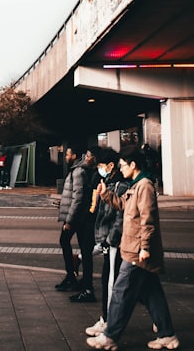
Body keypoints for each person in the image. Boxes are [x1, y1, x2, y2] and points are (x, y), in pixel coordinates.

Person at [87, 145, 179, 351]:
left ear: (133, 164)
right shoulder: (136, 184)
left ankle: (110, 335)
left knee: (121, 291)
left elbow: (148, 219)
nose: (120, 169)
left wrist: (145, 247)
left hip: (138, 250)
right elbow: (124, 206)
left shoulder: (144, 186)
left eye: (122, 165)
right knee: (151, 293)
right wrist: (105, 195)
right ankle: (167, 334)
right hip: (133, 247)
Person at [85, 148, 130, 338]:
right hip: (111, 240)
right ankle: (160, 321)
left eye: (101, 166)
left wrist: (110, 239)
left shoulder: (120, 185)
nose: (99, 170)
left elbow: (119, 216)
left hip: (115, 242)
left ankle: (108, 321)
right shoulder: (111, 182)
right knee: (141, 284)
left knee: (111, 281)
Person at [55, 145, 94, 295]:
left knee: (65, 241)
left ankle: (73, 277)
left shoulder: (78, 171)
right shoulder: (77, 170)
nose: (65, 157)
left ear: (74, 155)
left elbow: (78, 197)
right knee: (82, 247)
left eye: (68, 154)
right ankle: (78, 279)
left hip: (76, 217)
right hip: (77, 215)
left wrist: (69, 220)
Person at [70, 145, 101, 304]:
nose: (86, 158)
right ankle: (86, 283)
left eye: (88, 155)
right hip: (90, 217)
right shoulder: (91, 173)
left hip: (90, 218)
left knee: (87, 252)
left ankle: (87, 288)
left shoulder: (95, 175)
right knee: (87, 251)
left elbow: (89, 200)